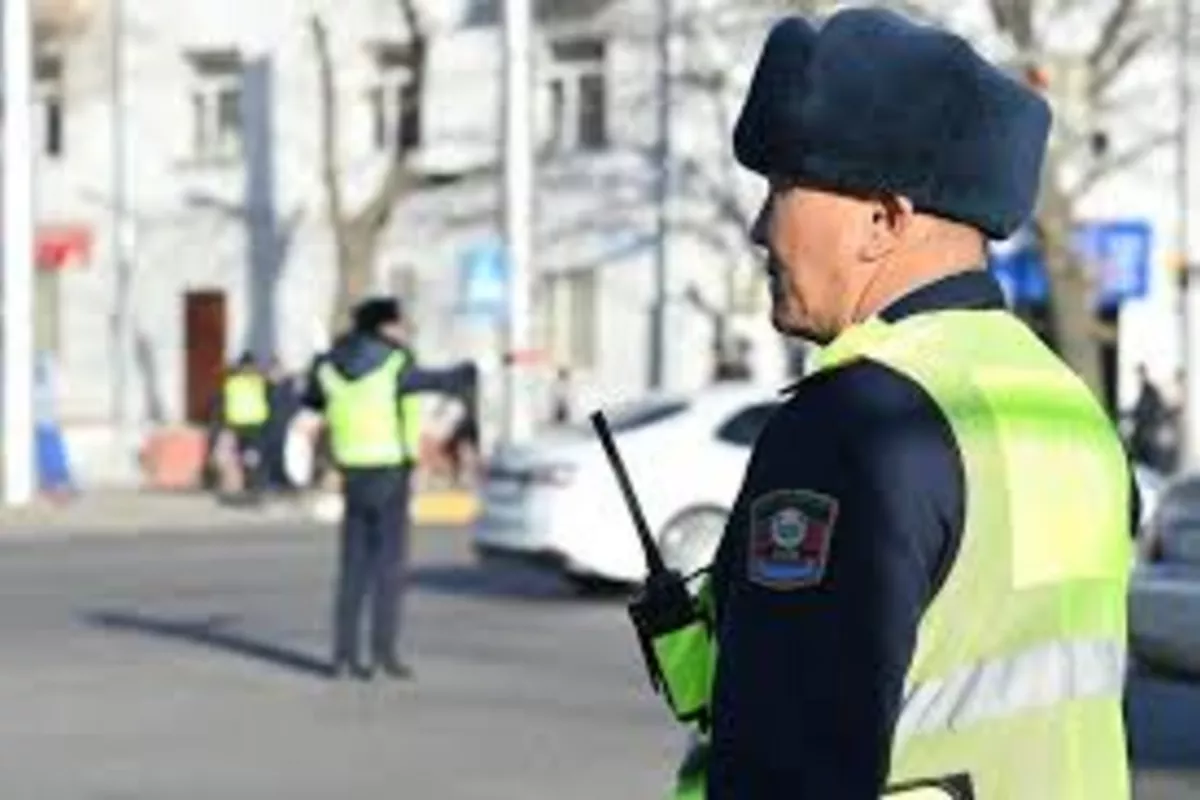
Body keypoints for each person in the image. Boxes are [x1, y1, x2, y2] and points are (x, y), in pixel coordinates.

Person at [627, 10, 1138, 799]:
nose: (762, 228)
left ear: (883, 219)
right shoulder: (1067, 408)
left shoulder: (858, 425)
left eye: (785, 188)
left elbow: (790, 766)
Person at [299, 296, 474, 681]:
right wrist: (467, 371)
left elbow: (309, 402)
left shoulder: (328, 366)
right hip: (390, 475)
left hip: (352, 475)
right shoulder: (396, 362)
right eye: (397, 323)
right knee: (388, 569)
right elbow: (439, 381)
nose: (401, 330)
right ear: (383, 326)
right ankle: (383, 653)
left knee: (352, 569)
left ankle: (342, 657)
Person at [218, 351, 271, 500]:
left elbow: (223, 403)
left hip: (243, 424)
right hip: (251, 425)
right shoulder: (258, 380)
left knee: (247, 457)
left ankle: (251, 486)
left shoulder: (233, 382)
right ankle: (253, 486)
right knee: (251, 457)